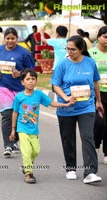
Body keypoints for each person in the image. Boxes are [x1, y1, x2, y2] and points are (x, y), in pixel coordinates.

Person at [52, 35, 103, 184]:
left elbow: (95, 82)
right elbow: (56, 85)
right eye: (68, 49)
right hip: (67, 107)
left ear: (81, 49)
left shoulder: (89, 63)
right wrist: (66, 98)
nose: (70, 51)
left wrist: (98, 101)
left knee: (87, 136)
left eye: (73, 49)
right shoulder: (62, 64)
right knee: (68, 138)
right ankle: (71, 168)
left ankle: (90, 172)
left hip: (86, 107)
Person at [10, 68, 71, 184]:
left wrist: (64, 104)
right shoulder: (19, 97)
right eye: (28, 79)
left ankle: (27, 164)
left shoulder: (38, 94)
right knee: (26, 151)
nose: (31, 81)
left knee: (36, 151)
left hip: (34, 129)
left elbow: (51, 103)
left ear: (36, 81)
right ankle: (28, 173)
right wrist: (13, 130)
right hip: (22, 128)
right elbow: (15, 113)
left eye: (33, 79)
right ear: (22, 82)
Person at [0, 27, 34, 157]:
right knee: (7, 115)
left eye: (13, 38)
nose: (10, 41)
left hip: (20, 88)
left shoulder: (24, 53)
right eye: (8, 38)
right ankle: (7, 145)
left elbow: (31, 70)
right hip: (2, 86)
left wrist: (20, 73)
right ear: (4, 39)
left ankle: (15, 141)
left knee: (22, 116)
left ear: (17, 38)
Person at [88, 26, 107, 165]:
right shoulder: (91, 53)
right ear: (99, 37)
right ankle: (95, 145)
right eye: (105, 36)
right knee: (100, 122)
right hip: (96, 93)